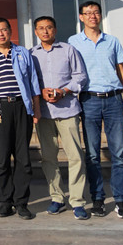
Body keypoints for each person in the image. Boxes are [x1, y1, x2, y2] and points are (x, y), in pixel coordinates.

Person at [68, 1, 123, 220]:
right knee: (92, 154)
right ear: (81, 17)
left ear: (100, 15)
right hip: (89, 100)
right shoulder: (73, 42)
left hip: (114, 100)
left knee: (118, 154)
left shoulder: (112, 41)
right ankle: (97, 199)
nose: (92, 16)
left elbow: (121, 70)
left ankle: (121, 201)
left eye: (95, 12)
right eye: (87, 13)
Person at [0, 17, 41, 220]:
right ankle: (5, 202)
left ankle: (21, 203)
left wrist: (36, 109)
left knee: (23, 158)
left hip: (22, 106)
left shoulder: (23, 53)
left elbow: (33, 82)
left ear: (10, 31)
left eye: (4, 30)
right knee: (2, 158)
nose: (1, 34)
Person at [30, 16, 89, 220]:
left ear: (55, 30)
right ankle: (57, 198)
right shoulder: (31, 54)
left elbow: (80, 76)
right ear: (36, 32)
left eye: (49, 28)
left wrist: (63, 91)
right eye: (41, 28)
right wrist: (41, 91)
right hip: (44, 112)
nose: (45, 31)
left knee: (75, 156)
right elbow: (29, 79)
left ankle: (77, 201)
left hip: (67, 111)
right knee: (48, 157)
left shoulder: (68, 50)